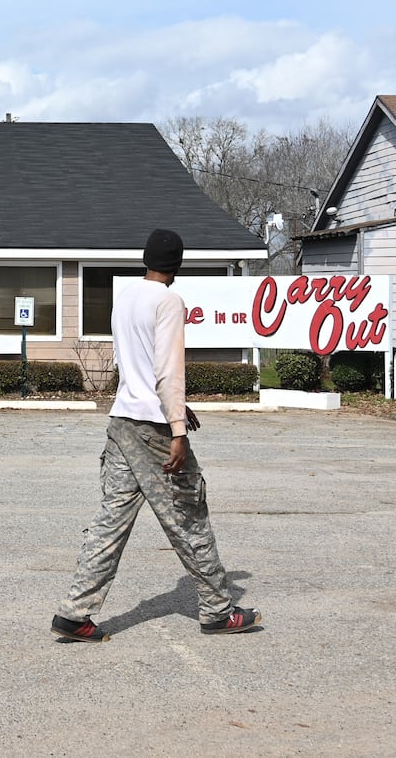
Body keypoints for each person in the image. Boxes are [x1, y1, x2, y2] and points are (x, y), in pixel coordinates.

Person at [50, 228, 261, 642]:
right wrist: (177, 430)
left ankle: (76, 613)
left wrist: (180, 407)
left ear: (146, 259)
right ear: (177, 266)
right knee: (188, 516)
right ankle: (218, 610)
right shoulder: (169, 301)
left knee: (110, 522)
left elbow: (139, 364)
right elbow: (167, 369)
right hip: (153, 430)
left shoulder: (126, 297)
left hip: (121, 422)